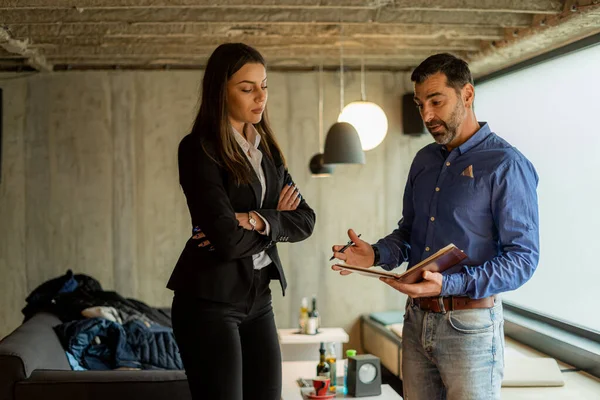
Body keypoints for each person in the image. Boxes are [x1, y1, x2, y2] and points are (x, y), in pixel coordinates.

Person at [331, 53, 539, 400]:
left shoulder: (506, 164)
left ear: (467, 95)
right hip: (415, 323)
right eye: (420, 104)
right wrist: (376, 253)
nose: (427, 115)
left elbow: (523, 260)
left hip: (470, 329)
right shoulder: (424, 160)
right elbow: (409, 234)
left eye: (436, 101)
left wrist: (449, 284)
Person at [167, 43, 316, 400]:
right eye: (247, 88)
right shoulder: (198, 149)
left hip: (259, 298)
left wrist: (253, 219)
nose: (260, 97)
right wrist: (274, 222)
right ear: (221, 90)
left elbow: (306, 220)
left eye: (264, 85)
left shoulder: (268, 150)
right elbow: (227, 240)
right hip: (209, 302)